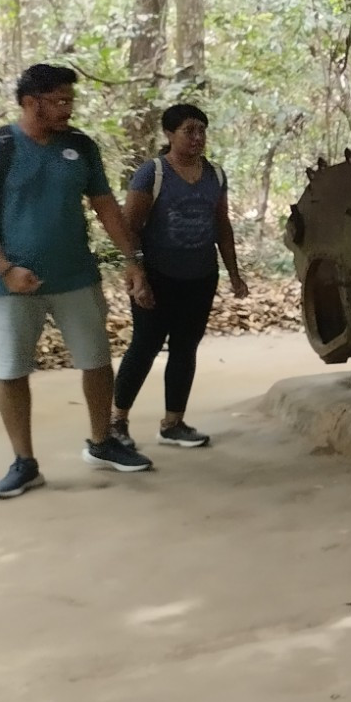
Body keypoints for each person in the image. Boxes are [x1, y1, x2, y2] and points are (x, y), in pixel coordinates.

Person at [0, 63, 157, 498]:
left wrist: (133, 259)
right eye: (60, 101)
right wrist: (6, 268)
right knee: (11, 372)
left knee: (96, 361)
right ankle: (24, 462)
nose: (68, 109)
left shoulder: (80, 147)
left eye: (70, 100)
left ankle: (102, 442)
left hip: (76, 278)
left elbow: (105, 207)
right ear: (31, 103)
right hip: (13, 284)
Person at [110, 103, 247, 449]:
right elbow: (129, 226)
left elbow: (222, 224)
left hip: (200, 277)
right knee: (145, 346)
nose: (197, 138)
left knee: (185, 348)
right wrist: (136, 272)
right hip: (157, 277)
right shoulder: (152, 174)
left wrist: (233, 272)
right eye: (189, 130)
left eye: (201, 130)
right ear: (170, 134)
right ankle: (115, 422)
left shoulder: (215, 175)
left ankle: (173, 423)